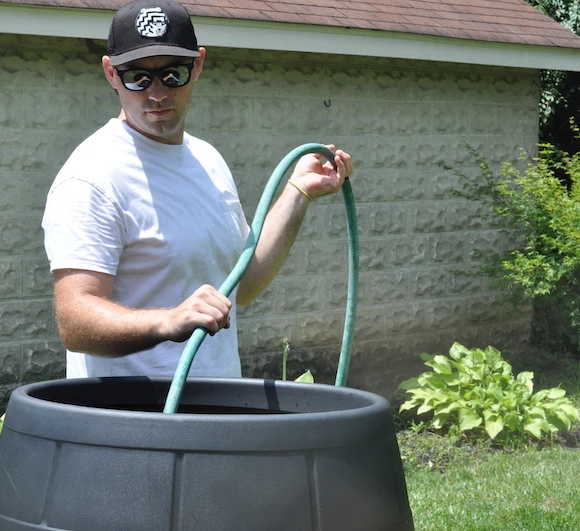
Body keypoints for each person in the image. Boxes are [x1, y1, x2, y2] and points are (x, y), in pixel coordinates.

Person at [41, 0, 353, 379]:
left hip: (215, 415)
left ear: (198, 65)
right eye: (137, 77)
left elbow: (242, 285)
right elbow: (74, 320)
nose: (156, 93)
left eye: (172, 74)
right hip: (133, 424)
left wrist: (297, 192)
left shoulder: (208, 160)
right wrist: (168, 321)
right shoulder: (92, 177)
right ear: (110, 73)